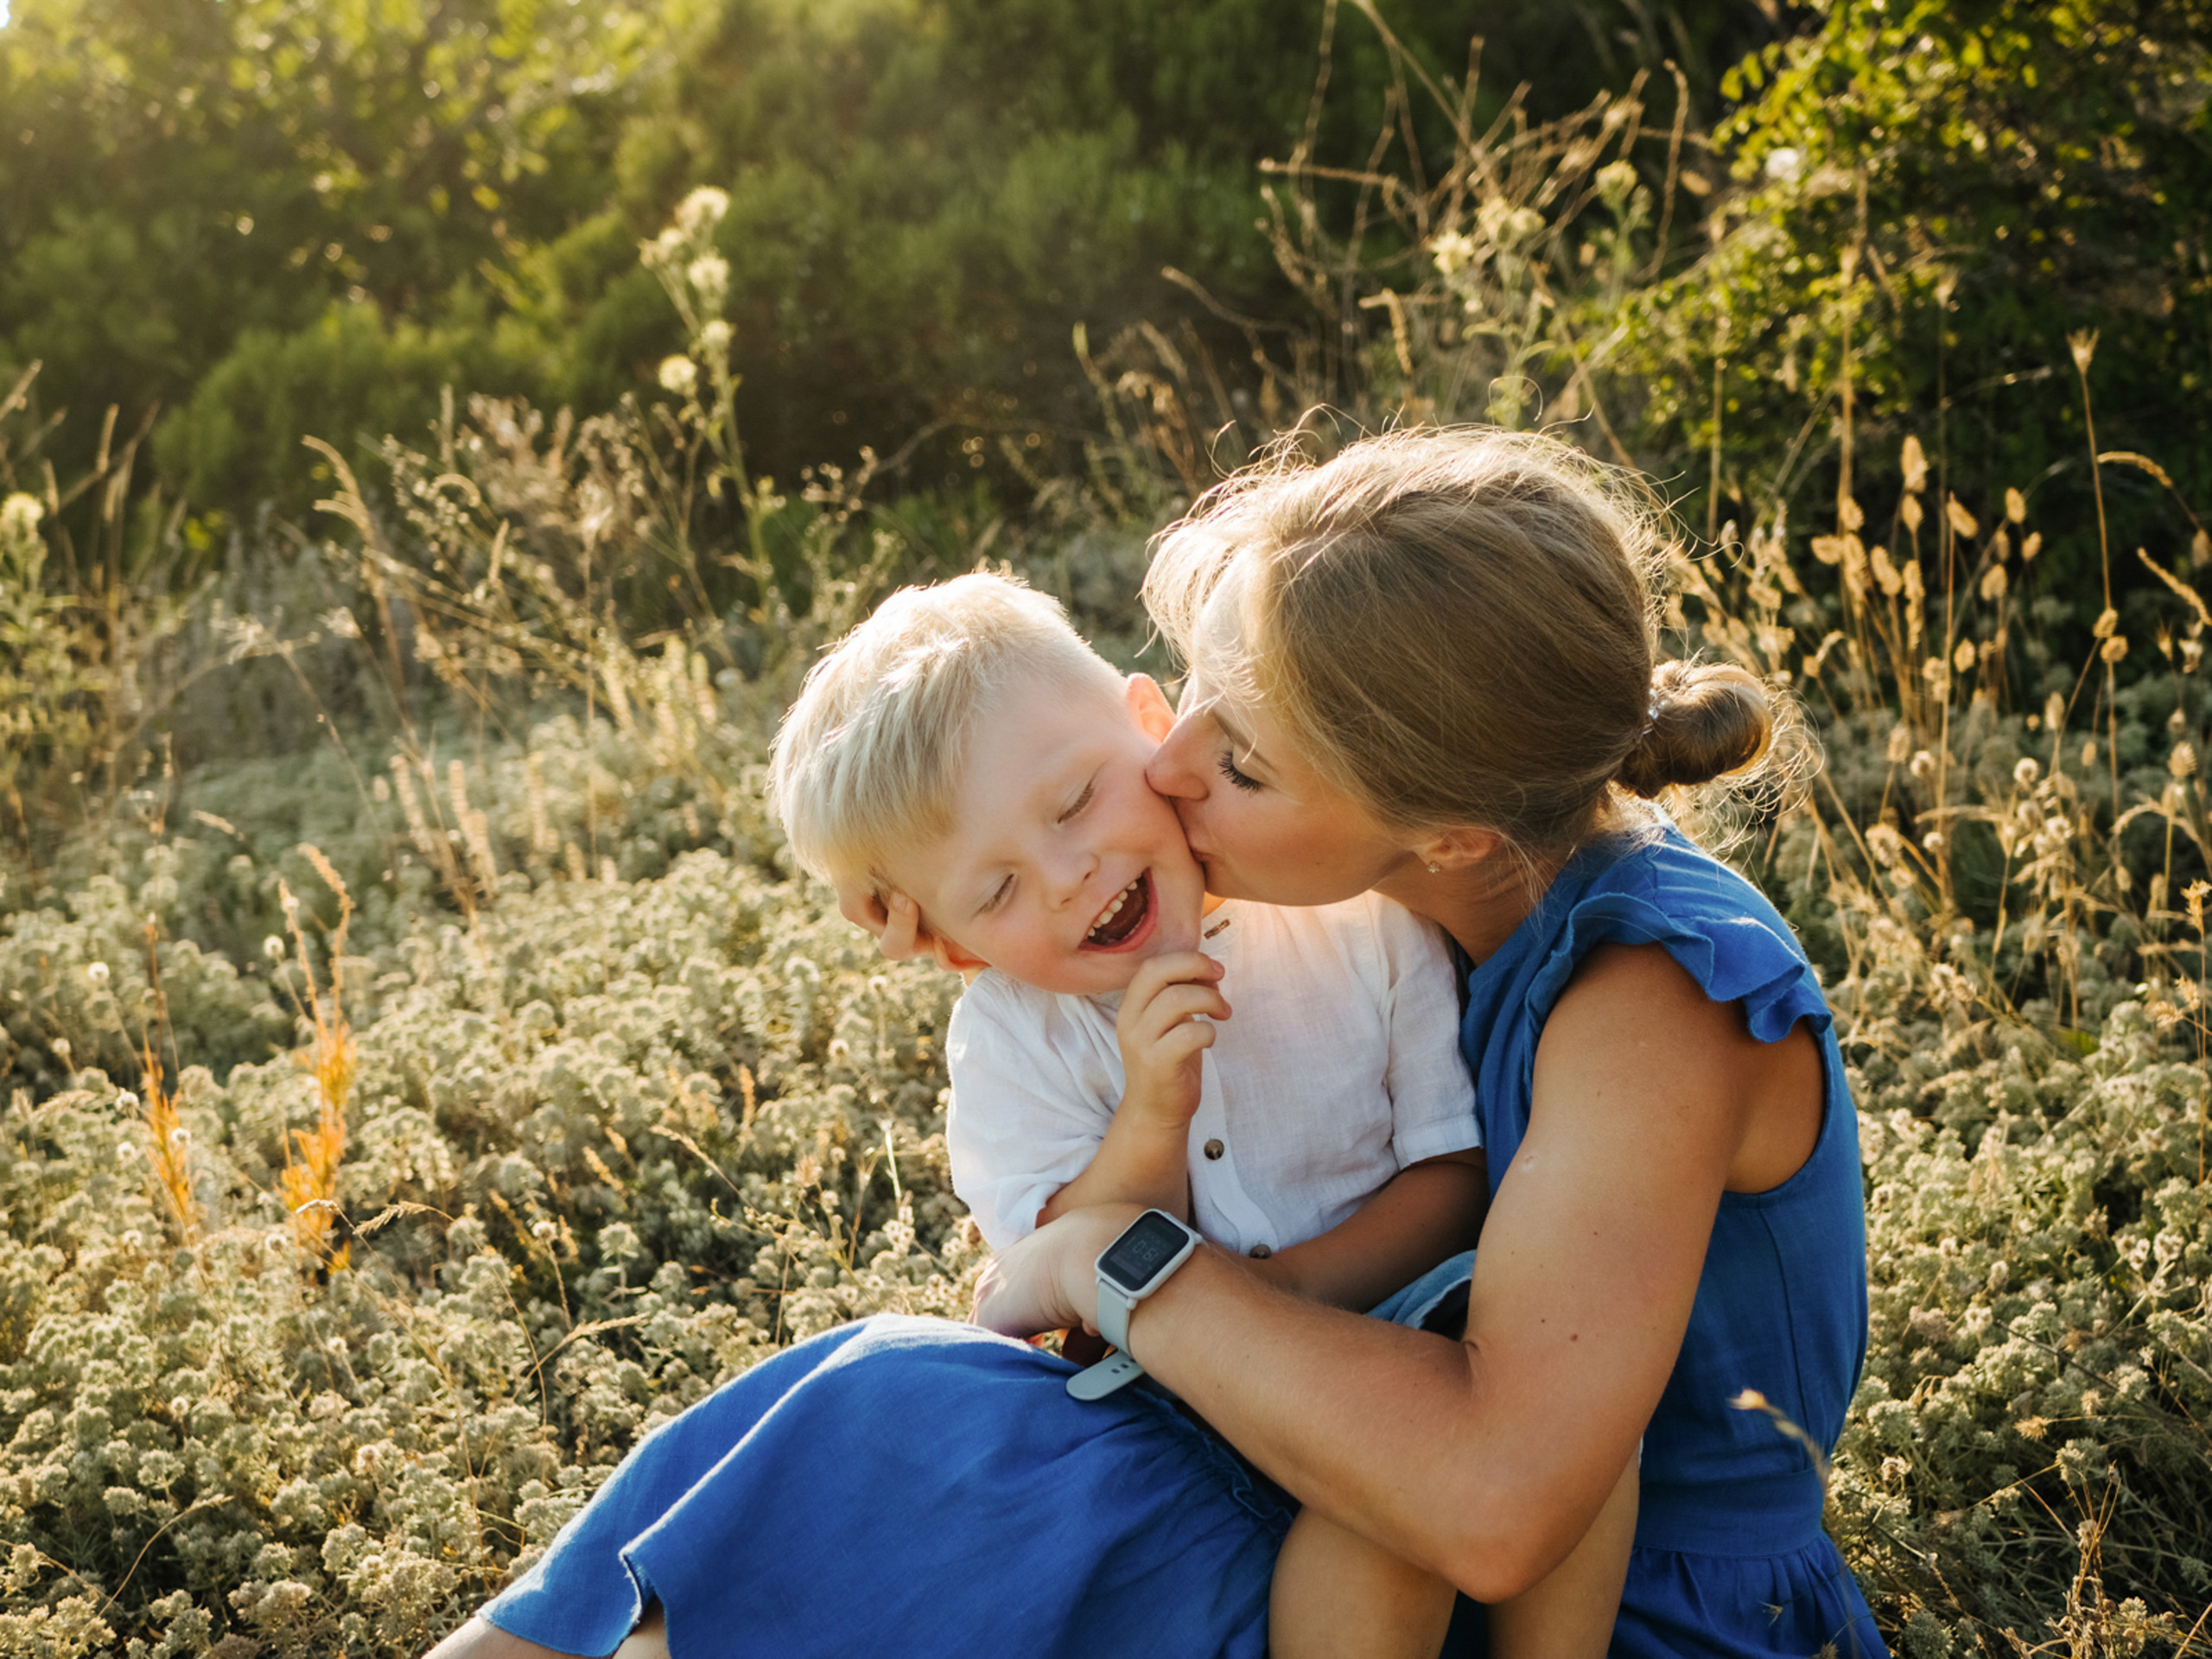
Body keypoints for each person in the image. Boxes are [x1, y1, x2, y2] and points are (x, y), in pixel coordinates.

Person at [429, 425, 1885, 1659]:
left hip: (1601, 1605)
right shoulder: (1471, 853)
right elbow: (1372, 687)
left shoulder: (1650, 1003)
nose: (1169, 767)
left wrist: (1109, 1266)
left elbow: (1496, 1508)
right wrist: (950, 908)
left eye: (1237, 759)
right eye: (1191, 697)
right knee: (864, 1393)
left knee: (906, 1448)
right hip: (1328, 1458)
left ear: (1440, 828)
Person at [762, 571, 1635, 1658]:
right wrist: (1151, 1112)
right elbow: (1068, 1275)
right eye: (994, 893)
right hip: (1173, 1402)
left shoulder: (1350, 919)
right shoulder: (1014, 1036)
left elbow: (1452, 1177)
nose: (1067, 875)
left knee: (1500, 1481)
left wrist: (1282, 1295)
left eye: (1075, 801)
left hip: (1410, 1346)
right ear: (948, 942)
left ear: (1150, 729)